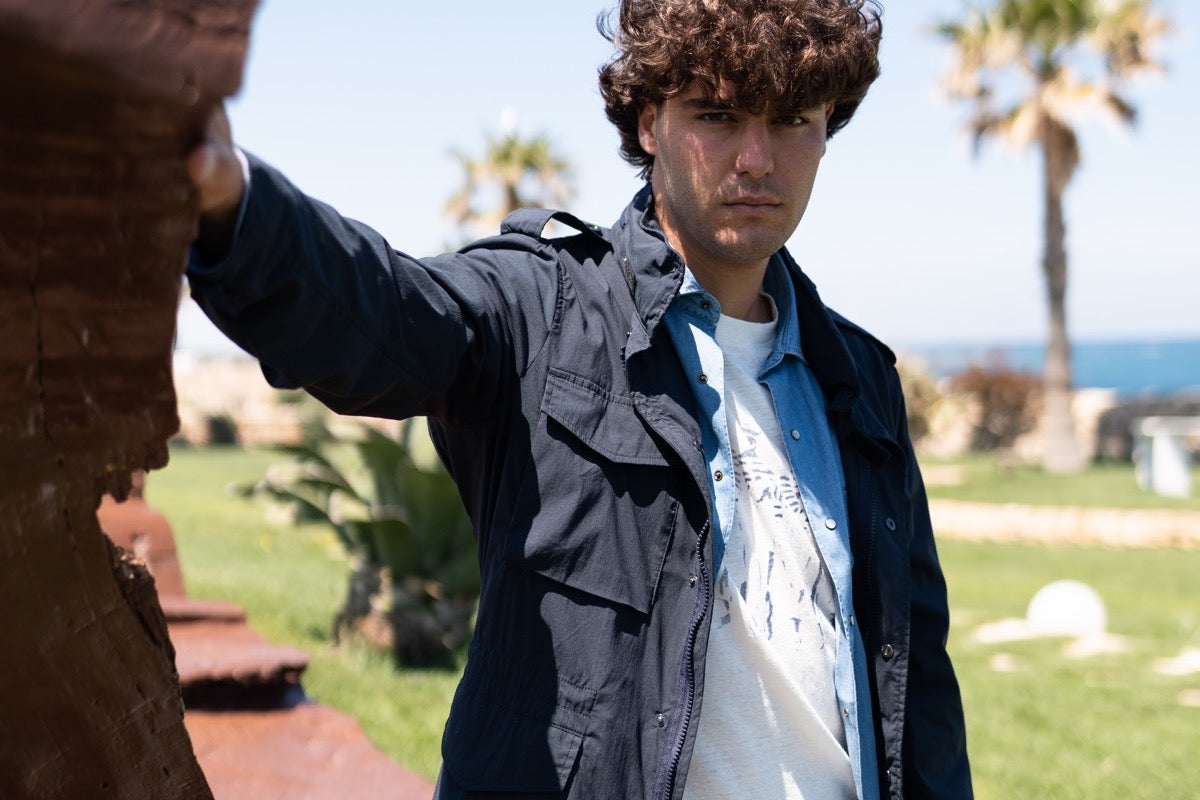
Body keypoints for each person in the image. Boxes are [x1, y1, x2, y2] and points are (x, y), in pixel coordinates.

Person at [185, 0, 973, 797]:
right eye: (718, 115)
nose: (756, 159)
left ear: (828, 123)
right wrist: (233, 201)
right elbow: (384, 313)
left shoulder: (860, 377)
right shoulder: (544, 307)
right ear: (649, 122)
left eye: (792, 120)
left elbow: (920, 691)